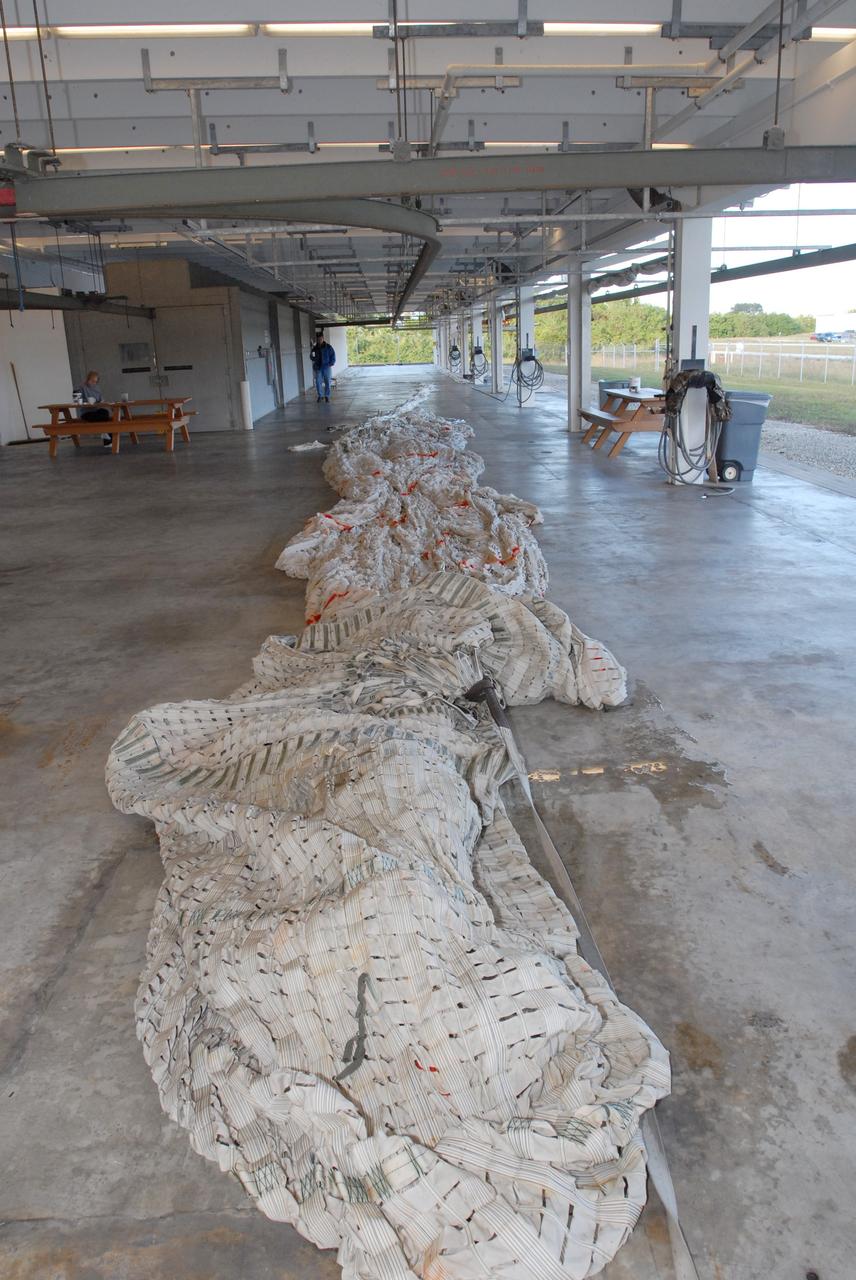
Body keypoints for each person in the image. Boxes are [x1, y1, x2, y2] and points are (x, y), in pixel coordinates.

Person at [74, 370, 112, 446]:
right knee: (105, 419)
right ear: (88, 379)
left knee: (105, 413)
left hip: (96, 410)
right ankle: (107, 441)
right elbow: (76, 400)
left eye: (95, 381)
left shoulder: (97, 388)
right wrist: (87, 401)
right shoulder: (81, 387)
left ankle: (106, 436)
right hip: (86, 412)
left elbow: (101, 399)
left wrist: (101, 401)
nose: (93, 383)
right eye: (92, 381)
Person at [310, 331, 336, 402]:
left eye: (320, 339)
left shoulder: (328, 347)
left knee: (328, 382)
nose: (319, 340)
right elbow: (312, 357)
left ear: (323, 338)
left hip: (327, 367)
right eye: (318, 339)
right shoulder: (315, 348)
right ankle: (320, 396)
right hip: (318, 368)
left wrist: (331, 363)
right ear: (317, 339)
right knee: (318, 382)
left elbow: (333, 356)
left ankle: (327, 396)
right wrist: (313, 355)